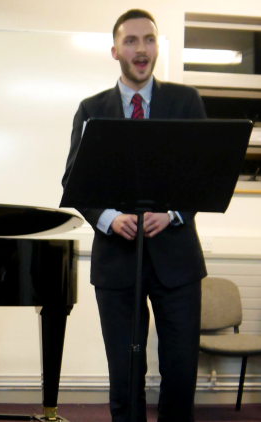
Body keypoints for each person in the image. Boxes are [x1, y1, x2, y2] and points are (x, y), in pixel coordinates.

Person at [62, 9, 207, 422]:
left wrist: (174, 212)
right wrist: (109, 218)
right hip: (117, 262)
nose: (140, 49)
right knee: (125, 376)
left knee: (180, 371)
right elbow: (73, 182)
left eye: (148, 40)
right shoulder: (92, 109)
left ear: (157, 47)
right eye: (131, 41)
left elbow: (206, 174)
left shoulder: (186, 101)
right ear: (115, 50)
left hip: (177, 261)